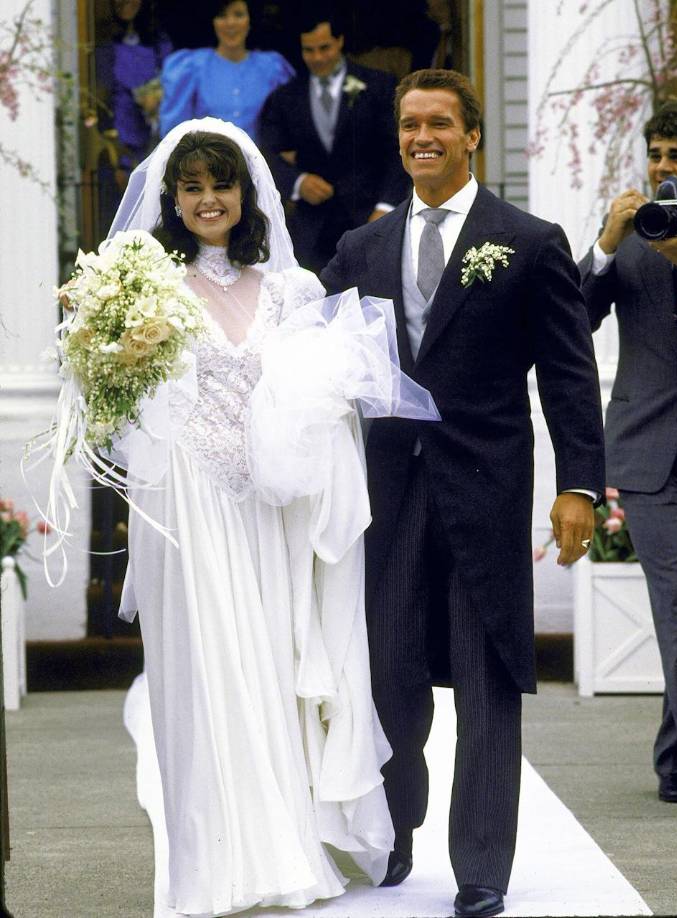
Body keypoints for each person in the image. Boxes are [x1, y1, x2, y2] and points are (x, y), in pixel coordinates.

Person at [105, 117, 425, 915]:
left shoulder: (293, 290)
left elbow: (324, 400)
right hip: (187, 503)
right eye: (192, 188)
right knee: (210, 669)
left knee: (277, 666)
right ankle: (219, 860)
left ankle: (289, 843)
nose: (207, 200)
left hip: (271, 509)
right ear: (172, 201)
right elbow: (115, 406)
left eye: (221, 185)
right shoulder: (142, 288)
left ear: (246, 195)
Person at [321, 68, 606, 918]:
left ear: (471, 135)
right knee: (390, 672)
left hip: (485, 488)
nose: (421, 139)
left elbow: (567, 374)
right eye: (410, 125)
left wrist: (578, 487)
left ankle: (482, 864)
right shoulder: (358, 250)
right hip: (389, 494)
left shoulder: (526, 239)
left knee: (487, 680)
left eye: (439, 124)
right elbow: (319, 363)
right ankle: (394, 833)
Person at [579, 100, 677, 807]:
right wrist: (605, 243)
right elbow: (571, 319)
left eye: (676, 155)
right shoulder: (633, 233)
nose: (662, 168)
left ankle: (675, 762)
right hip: (653, 455)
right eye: (655, 154)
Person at [259, 7, 409, 273]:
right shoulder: (286, 97)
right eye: (309, 50)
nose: (317, 58)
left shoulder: (378, 86)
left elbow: (397, 152)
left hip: (369, 220)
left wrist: (386, 207)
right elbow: (264, 153)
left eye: (324, 48)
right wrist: (298, 182)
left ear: (340, 41)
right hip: (310, 232)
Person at [158, 0, 294, 141]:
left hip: (263, 160)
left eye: (238, 15)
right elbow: (175, 133)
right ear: (212, 21)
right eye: (222, 16)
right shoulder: (191, 66)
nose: (230, 23)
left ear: (250, 19)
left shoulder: (273, 66)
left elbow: (289, 124)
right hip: (207, 160)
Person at [96, 0, 173, 184]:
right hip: (118, 134)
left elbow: (171, 83)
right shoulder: (104, 41)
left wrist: (156, 99)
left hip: (154, 130)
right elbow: (100, 91)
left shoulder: (159, 41)